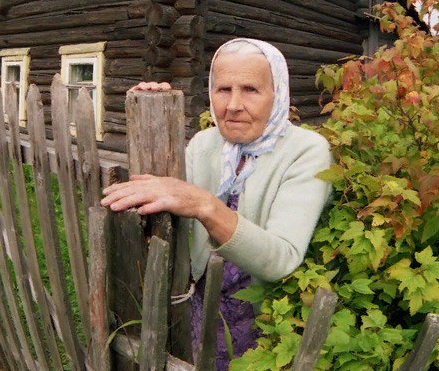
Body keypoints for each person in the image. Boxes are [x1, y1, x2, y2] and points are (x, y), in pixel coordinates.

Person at [100, 38, 332, 369]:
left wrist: (207, 205)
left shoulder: (307, 152)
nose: (234, 104)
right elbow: (165, 199)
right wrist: (152, 109)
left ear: (277, 93)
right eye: (223, 89)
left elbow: (281, 259)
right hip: (200, 304)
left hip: (263, 317)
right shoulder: (206, 144)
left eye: (250, 89)